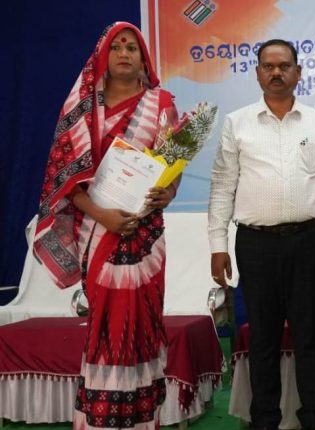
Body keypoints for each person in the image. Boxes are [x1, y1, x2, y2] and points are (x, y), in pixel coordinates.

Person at [33, 22, 179, 429]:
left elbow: (172, 166)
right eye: (116, 47)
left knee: (144, 324)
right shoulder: (82, 110)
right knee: (106, 326)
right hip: (97, 231)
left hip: (144, 233)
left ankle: (143, 420)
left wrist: (167, 193)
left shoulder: (161, 104)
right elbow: (64, 180)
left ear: (143, 58)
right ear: (102, 57)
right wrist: (103, 215)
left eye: (132, 47)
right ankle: (100, 420)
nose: (124, 53)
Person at [208, 39, 315, 430]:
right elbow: (222, 187)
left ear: (298, 72)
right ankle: (265, 419)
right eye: (268, 66)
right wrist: (218, 245)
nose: (276, 72)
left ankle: (314, 418)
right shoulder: (237, 123)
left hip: (309, 241)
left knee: (309, 335)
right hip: (255, 244)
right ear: (257, 72)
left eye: (284, 66)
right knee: (262, 337)